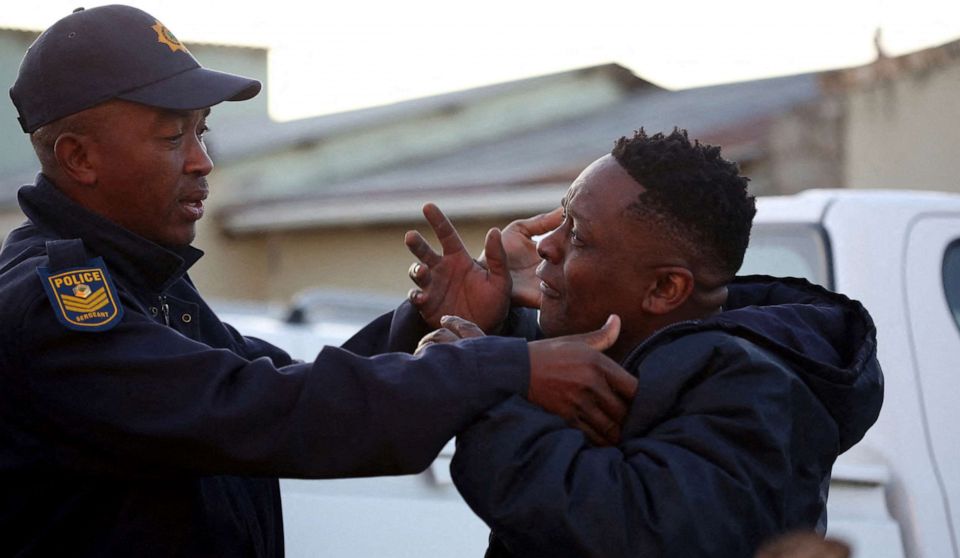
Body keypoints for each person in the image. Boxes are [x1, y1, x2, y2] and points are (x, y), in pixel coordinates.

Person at [0, 6, 638, 557]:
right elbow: (260, 411)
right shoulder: (54, 306)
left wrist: (428, 322)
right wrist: (505, 367)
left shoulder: (143, 279)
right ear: (79, 158)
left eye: (202, 130)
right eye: (173, 137)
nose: (203, 162)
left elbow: (288, 385)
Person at [404, 128, 884, 557]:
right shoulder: (641, 353)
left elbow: (624, 532)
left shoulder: (752, 392)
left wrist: (485, 381)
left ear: (664, 290)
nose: (546, 244)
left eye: (580, 237)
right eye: (561, 219)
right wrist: (494, 327)